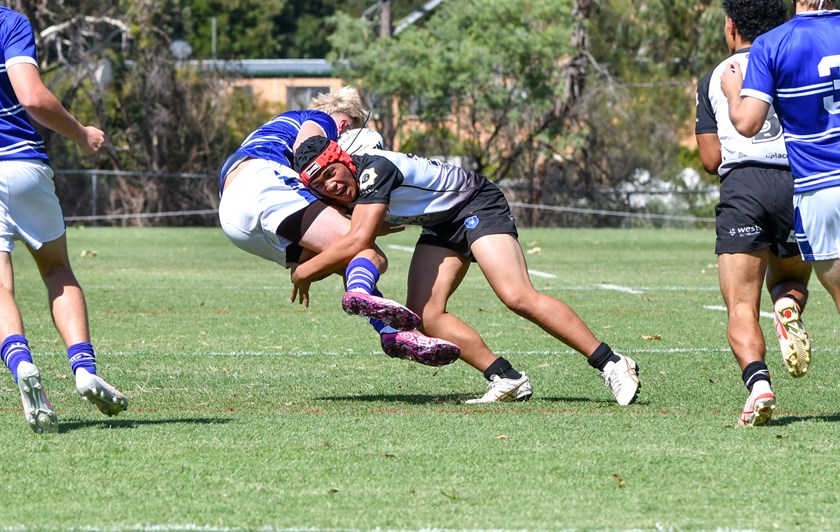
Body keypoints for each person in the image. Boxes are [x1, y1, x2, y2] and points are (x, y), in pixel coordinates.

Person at [291, 135, 642, 404]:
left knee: (517, 296)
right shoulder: (346, 190)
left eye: (331, 173)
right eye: (319, 184)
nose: (330, 185)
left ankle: (612, 362)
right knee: (425, 315)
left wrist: (301, 273)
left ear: (342, 158)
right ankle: (506, 377)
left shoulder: (373, 169)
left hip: (475, 203)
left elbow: (358, 240)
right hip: (441, 224)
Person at [217, 89, 459, 367]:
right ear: (344, 126)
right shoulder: (321, 120)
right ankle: (372, 309)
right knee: (369, 252)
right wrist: (360, 216)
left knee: (347, 259)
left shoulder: (272, 127)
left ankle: (392, 333)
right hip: (264, 183)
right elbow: (306, 153)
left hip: (233, 217)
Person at [0, 6, 128, 433]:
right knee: (57, 270)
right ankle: (84, 370)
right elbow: (32, 97)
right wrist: (81, 132)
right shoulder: (9, 22)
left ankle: (21, 364)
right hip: (23, 165)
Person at [696, 0, 811, 427]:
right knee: (790, 281)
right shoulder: (794, 63)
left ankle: (759, 385)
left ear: (732, 27)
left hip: (744, 186)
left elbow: (710, 160)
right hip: (796, 182)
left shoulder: (716, 75)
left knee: (741, 305)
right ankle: (787, 307)